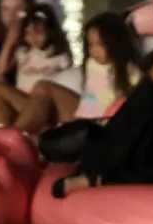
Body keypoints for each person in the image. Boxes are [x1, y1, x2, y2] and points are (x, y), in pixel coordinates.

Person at [50, 73, 153, 197]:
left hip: (132, 167)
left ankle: (98, 178)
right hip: (109, 154)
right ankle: (98, 177)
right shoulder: (131, 117)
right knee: (150, 90)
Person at [12, 12, 141, 136]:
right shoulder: (91, 63)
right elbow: (92, 94)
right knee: (42, 87)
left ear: (115, 42)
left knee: (43, 89)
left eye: (100, 44)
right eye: (91, 44)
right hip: (82, 113)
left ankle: (13, 137)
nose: (94, 50)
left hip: (100, 123)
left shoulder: (130, 71)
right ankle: (13, 134)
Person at [0, 4, 73, 126]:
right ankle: (1, 133)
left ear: (49, 31)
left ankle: (17, 134)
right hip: (22, 101)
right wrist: (10, 40)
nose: (33, 38)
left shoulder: (60, 58)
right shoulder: (23, 53)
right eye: (28, 34)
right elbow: (0, 70)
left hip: (45, 106)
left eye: (38, 33)